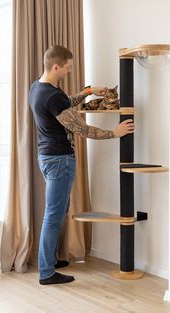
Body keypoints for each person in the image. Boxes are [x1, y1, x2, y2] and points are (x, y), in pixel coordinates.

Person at [28, 45, 134, 285]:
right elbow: (82, 128)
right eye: (67, 67)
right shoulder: (51, 96)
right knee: (53, 216)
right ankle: (46, 272)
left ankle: (51, 261)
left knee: (57, 212)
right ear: (56, 66)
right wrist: (114, 133)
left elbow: (65, 103)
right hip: (60, 161)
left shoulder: (37, 87)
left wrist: (87, 92)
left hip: (47, 158)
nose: (69, 70)